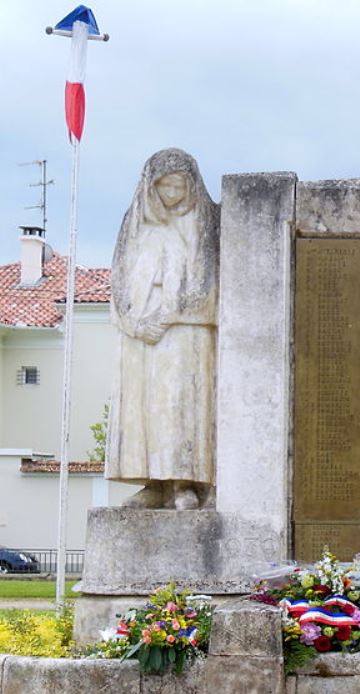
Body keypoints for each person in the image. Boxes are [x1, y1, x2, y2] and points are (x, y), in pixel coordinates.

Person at [106, 149, 219, 510]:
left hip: (185, 331)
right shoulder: (136, 221)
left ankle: (184, 482)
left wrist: (171, 314)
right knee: (143, 408)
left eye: (179, 185)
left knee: (180, 404)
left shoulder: (206, 221)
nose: (172, 193)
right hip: (142, 333)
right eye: (164, 186)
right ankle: (153, 482)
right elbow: (119, 280)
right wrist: (136, 323)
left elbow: (212, 283)